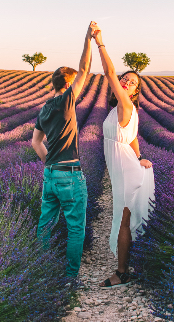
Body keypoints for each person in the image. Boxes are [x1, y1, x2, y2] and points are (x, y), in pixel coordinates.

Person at [91, 27, 155, 288]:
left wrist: (100, 43)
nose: (127, 82)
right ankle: (126, 267)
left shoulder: (126, 105)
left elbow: (108, 73)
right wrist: (139, 157)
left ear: (135, 91)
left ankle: (122, 272)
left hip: (125, 173)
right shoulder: (121, 108)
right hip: (125, 166)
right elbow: (131, 138)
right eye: (125, 79)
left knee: (123, 220)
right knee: (122, 218)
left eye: (132, 82)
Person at [31, 21, 96, 278]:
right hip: (69, 174)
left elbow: (35, 142)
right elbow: (85, 68)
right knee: (76, 228)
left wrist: (50, 162)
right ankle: (70, 278)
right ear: (68, 84)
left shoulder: (44, 109)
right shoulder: (67, 100)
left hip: (50, 175)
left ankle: (41, 273)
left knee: (45, 226)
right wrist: (88, 38)